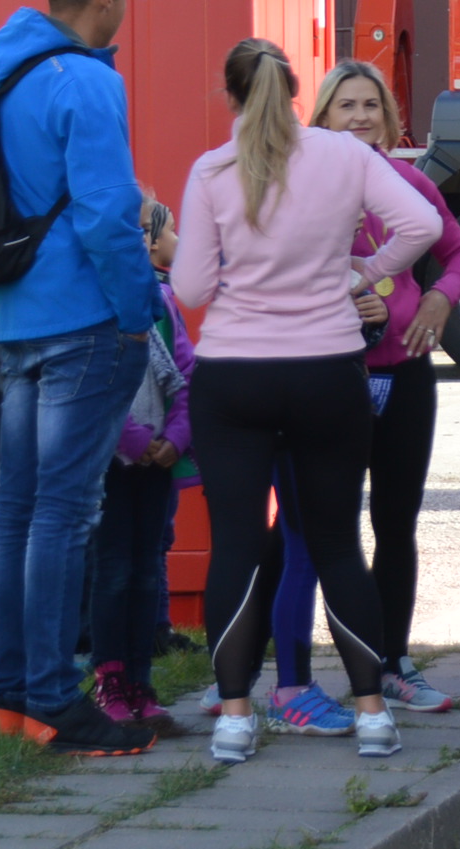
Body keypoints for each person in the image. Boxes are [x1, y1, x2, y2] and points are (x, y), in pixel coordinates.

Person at [168, 38, 438, 765]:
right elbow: (422, 226)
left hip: (234, 373)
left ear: (231, 96)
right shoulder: (343, 155)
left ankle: (234, 717)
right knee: (336, 541)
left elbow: (190, 288)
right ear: (296, 94)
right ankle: (373, 713)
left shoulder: (213, 169)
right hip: (327, 368)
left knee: (236, 545)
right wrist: (363, 275)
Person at [0, 0, 168, 756]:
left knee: (15, 510)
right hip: (83, 321)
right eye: (123, 0)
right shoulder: (86, 81)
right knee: (64, 512)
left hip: (15, 319)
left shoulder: (3, 71)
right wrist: (137, 310)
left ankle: (16, 697)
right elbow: (106, 211)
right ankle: (58, 701)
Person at [315, 59, 460, 710]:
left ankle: (394, 663)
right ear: (322, 118)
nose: (359, 117)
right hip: (332, 377)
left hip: (406, 374)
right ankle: (326, 669)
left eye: (370, 106)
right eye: (346, 105)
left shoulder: (410, 183)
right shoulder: (303, 188)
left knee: (396, 522)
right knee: (327, 528)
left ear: (388, 118)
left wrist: (440, 298)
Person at [86, 200, 189, 730]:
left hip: (156, 461)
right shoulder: (93, 304)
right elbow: (96, 387)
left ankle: (141, 682)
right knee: (113, 572)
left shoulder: (158, 304)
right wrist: (136, 439)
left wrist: (176, 437)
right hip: (111, 461)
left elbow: (185, 374)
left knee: (147, 567)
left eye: (144, 231)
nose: (142, 241)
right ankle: (110, 680)